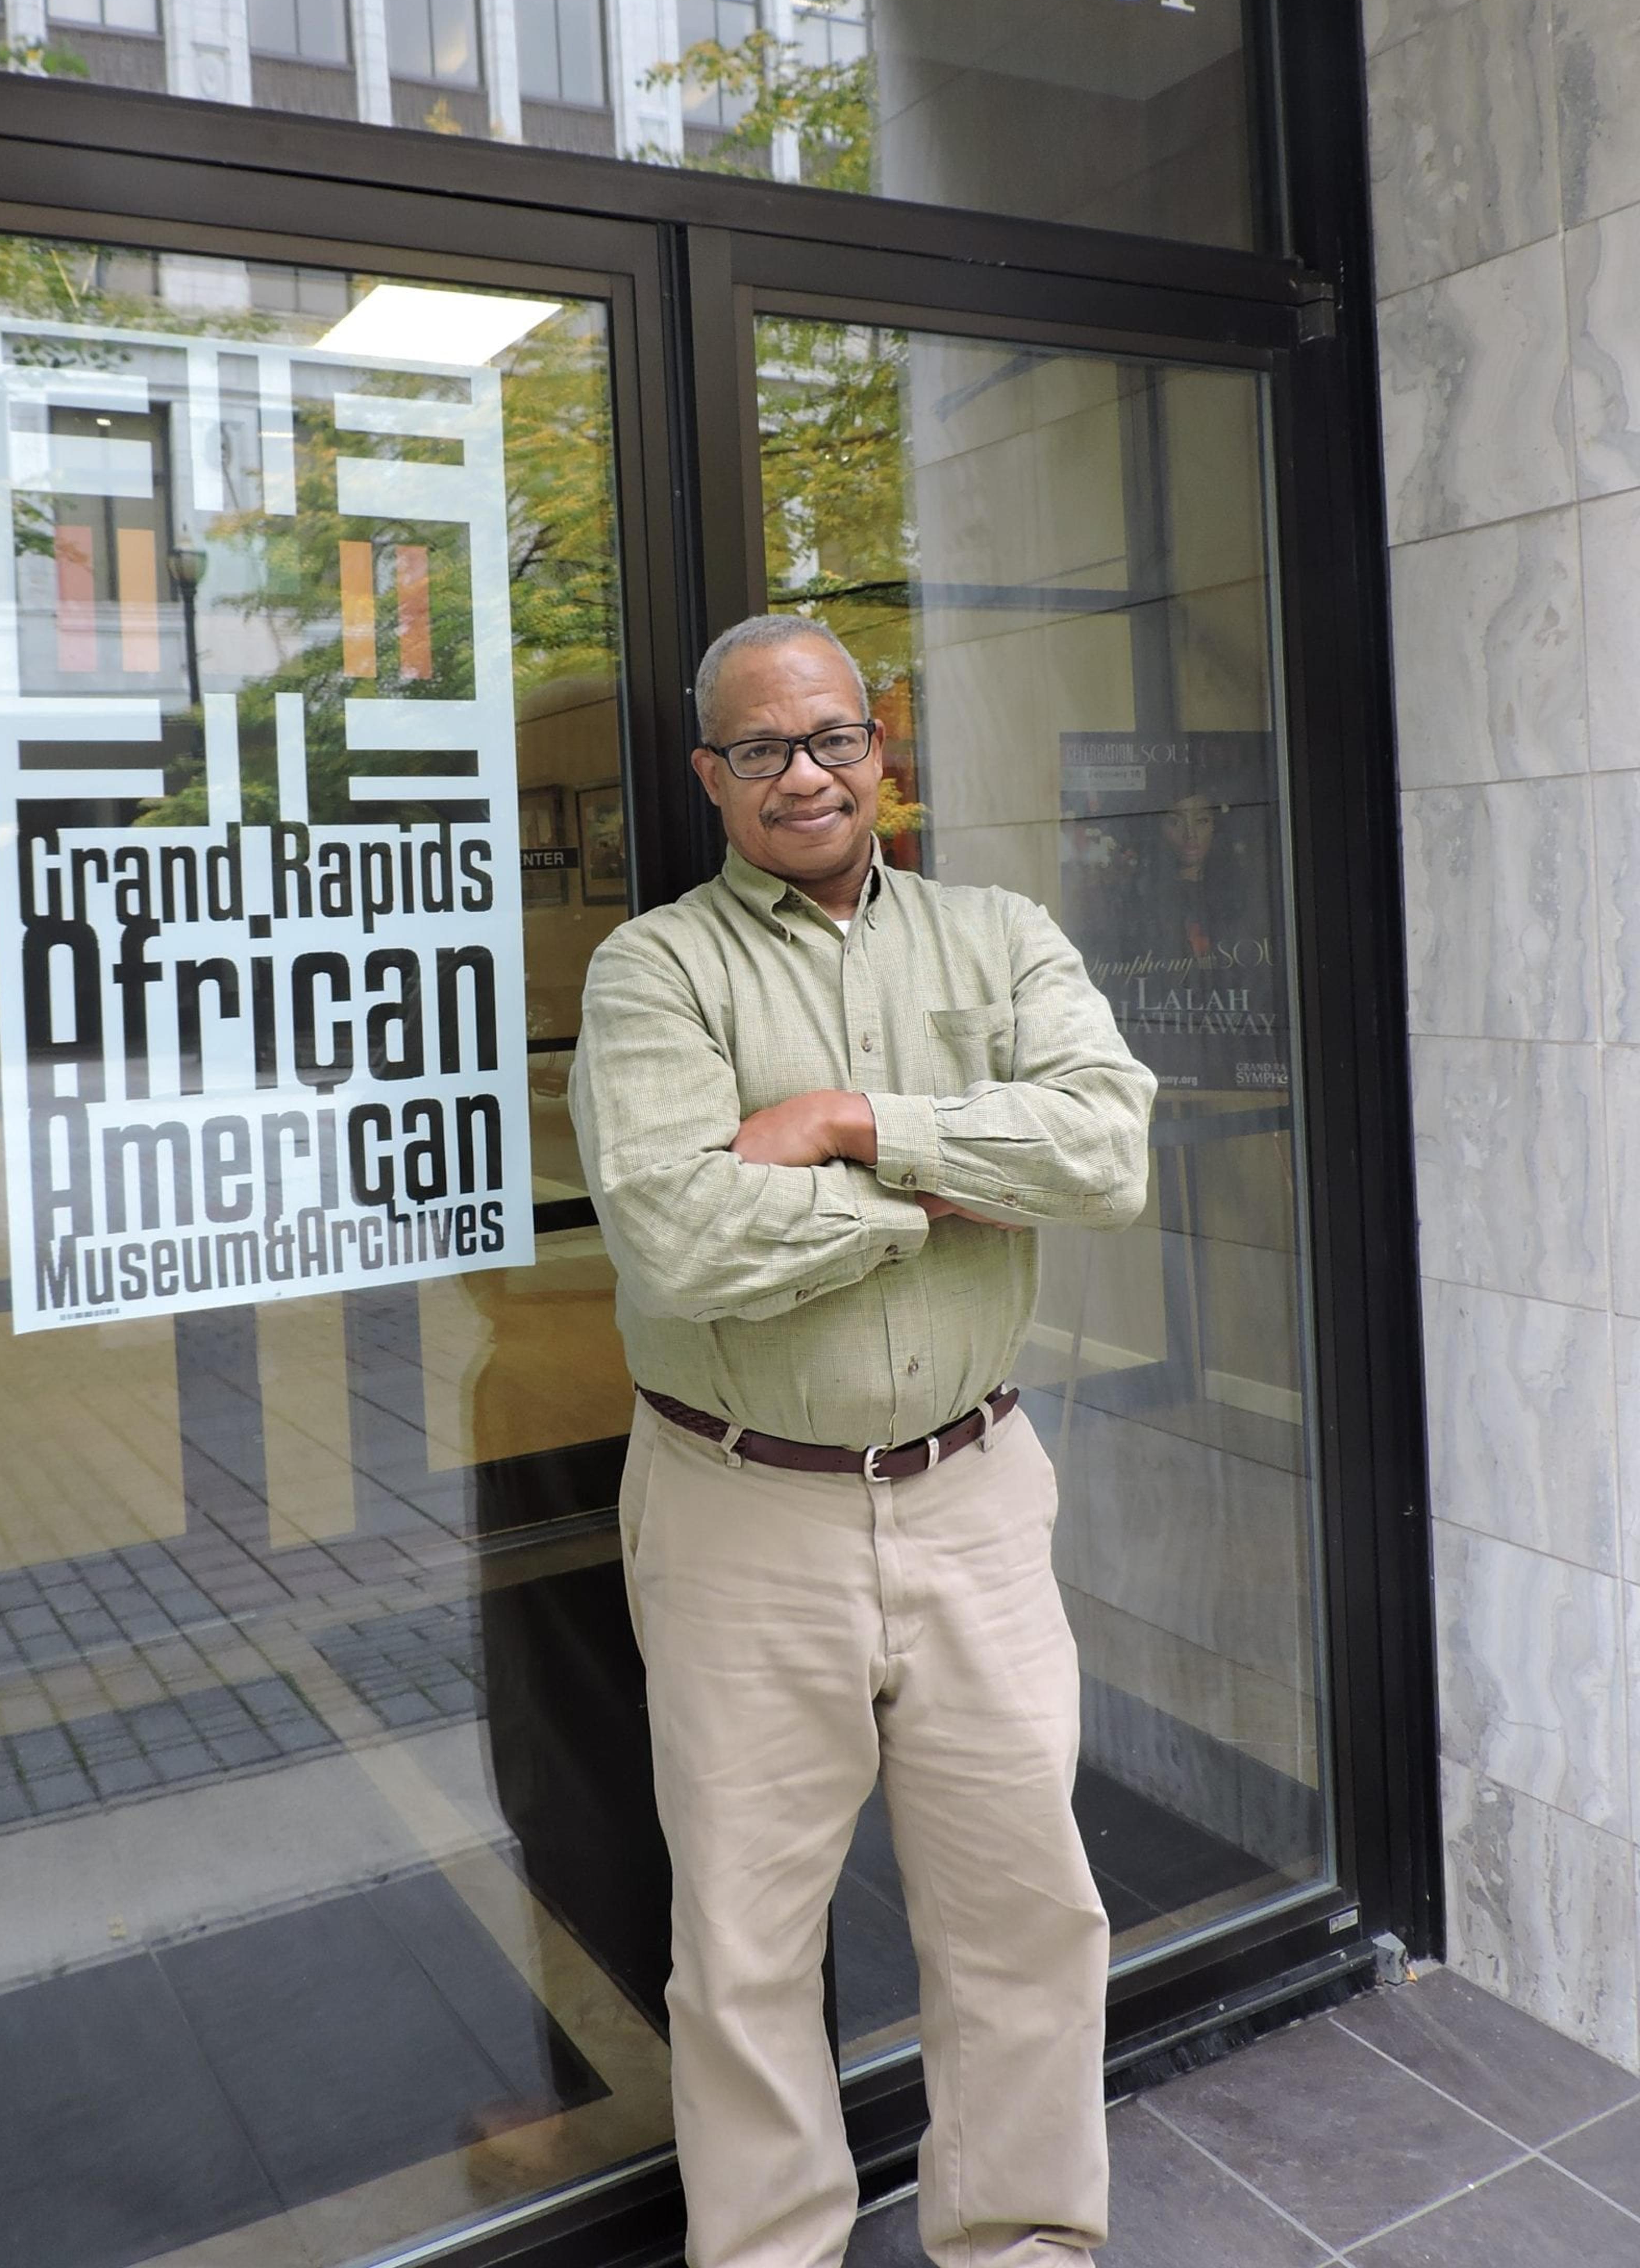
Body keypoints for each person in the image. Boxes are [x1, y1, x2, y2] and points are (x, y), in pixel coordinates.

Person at [568, 614, 1156, 2268]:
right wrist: (954, 1186)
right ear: (711, 777)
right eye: (761, 749)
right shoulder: (658, 969)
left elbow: (1106, 1153)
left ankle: (1027, 2242)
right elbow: (680, 1238)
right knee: (746, 1947)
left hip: (976, 1498)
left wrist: (844, 1129)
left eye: (831, 737)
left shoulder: (1001, 935)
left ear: (883, 747)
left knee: (1027, 1915)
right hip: (742, 1513)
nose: (803, 773)